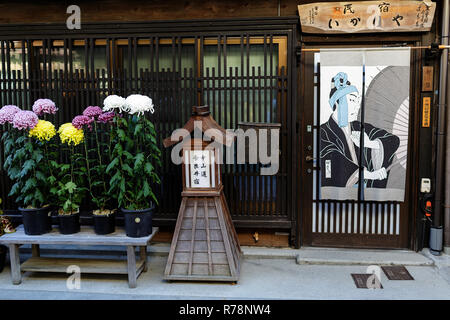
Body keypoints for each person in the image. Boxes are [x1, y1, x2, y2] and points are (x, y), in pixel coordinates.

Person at [320, 72, 400, 191]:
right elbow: (333, 159)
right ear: (337, 102)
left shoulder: (358, 127)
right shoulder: (324, 131)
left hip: (366, 190)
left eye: (358, 101)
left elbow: (393, 140)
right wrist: (369, 174)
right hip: (342, 192)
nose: (357, 106)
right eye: (352, 100)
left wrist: (369, 143)